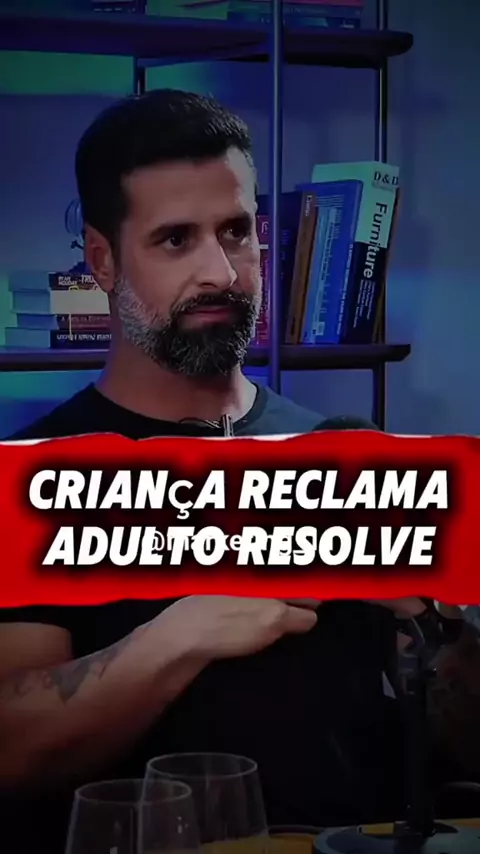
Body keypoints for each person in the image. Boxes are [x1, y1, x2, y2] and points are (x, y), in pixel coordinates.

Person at [1, 90, 479, 854]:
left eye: (236, 232)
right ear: (101, 260)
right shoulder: (36, 477)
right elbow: (13, 753)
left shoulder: (345, 450)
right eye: (175, 240)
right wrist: (185, 631)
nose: (221, 272)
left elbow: (461, 742)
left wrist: (443, 623)